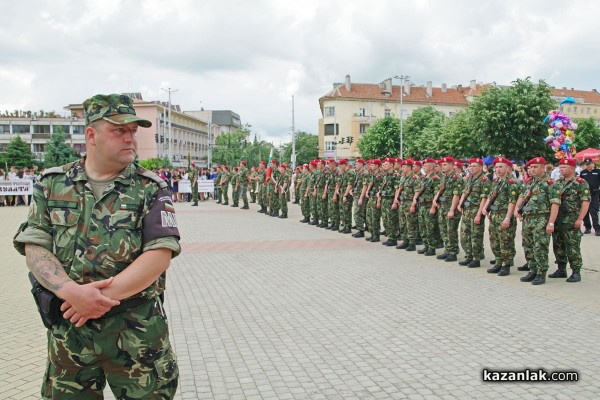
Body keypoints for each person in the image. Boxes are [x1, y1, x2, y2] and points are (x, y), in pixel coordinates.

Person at [13, 94, 180, 398]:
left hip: (136, 334)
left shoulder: (150, 188)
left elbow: (159, 254)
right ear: (91, 134)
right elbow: (35, 245)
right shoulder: (52, 184)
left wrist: (95, 301)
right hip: (70, 335)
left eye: (134, 131)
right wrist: (70, 292)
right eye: (120, 130)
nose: (131, 138)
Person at [514, 157, 559, 285]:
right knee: (528, 246)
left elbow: (555, 204)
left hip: (541, 218)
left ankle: (541, 272)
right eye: (530, 167)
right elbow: (522, 196)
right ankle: (532, 269)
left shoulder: (550, 183)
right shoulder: (529, 182)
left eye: (535, 167)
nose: (532, 169)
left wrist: (551, 222)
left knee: (540, 246)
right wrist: (518, 209)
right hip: (528, 218)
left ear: (543, 167)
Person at [550, 158, 590, 282]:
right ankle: (561, 268)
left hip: (572, 219)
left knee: (572, 246)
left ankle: (576, 271)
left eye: (564, 167)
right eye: (560, 167)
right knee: (558, 245)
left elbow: (585, 201)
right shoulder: (557, 183)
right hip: (558, 219)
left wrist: (580, 219)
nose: (561, 169)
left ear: (572, 168)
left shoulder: (580, 182)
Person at [482, 157, 520, 276]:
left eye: (500, 167)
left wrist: (508, 218)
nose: (497, 169)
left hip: (504, 215)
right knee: (494, 240)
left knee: (505, 241)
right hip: (494, 215)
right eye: (496, 167)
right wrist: (485, 207)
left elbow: (512, 202)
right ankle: (498, 261)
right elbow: (490, 196)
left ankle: (506, 265)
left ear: (508, 168)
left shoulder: (512, 183)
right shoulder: (496, 181)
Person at [457, 157, 490, 268]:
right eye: (470, 166)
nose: (471, 167)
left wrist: (479, 214)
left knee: (475, 236)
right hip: (466, 210)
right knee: (465, 235)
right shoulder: (470, 179)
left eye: (474, 166)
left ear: (481, 167)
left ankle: (476, 258)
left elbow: (484, 198)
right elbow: (464, 193)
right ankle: (469, 255)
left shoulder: (484, 180)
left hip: (476, 210)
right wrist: (460, 204)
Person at [579, 158, 600, 235]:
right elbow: (580, 183)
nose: (588, 166)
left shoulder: (598, 172)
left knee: (594, 211)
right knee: (585, 212)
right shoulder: (583, 173)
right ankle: (587, 228)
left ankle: (597, 229)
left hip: (595, 194)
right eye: (586, 164)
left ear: (593, 164)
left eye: (589, 164)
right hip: (585, 194)